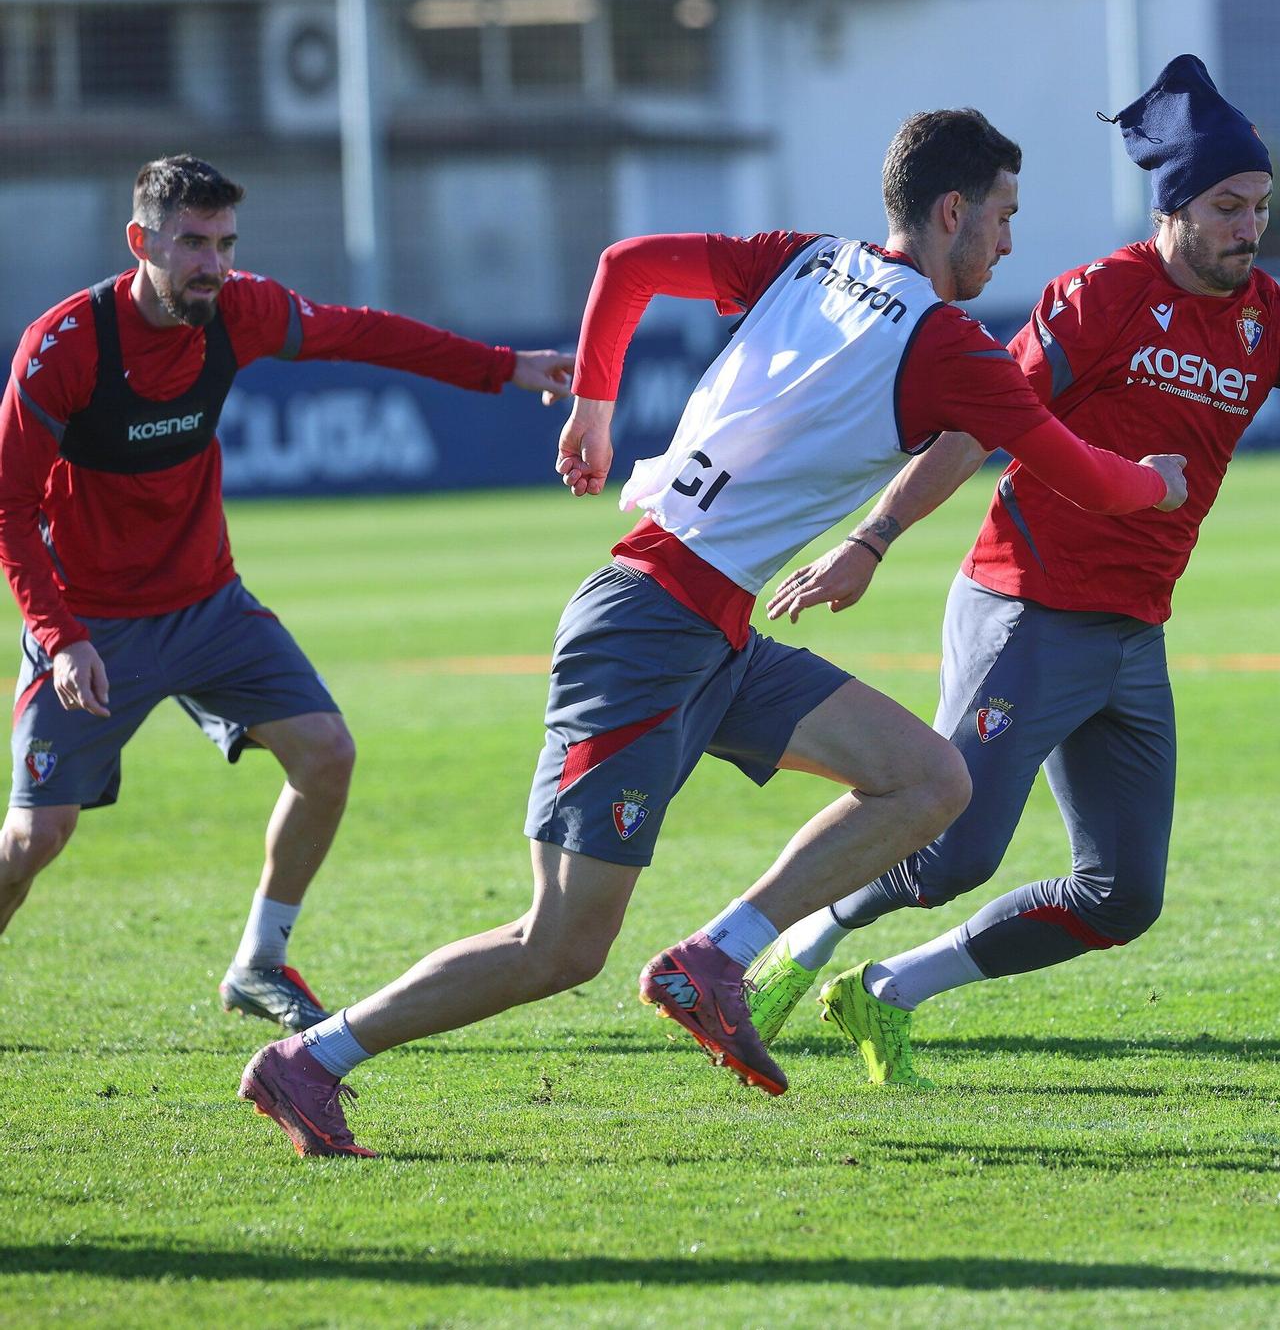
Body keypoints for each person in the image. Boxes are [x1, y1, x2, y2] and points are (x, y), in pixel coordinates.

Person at [238, 108, 1187, 1157]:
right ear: (951, 209)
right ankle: (309, 1059)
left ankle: (719, 956)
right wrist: (1154, 482)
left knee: (930, 781)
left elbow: (627, 264)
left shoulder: (805, 262)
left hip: (712, 631)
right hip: (646, 628)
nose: (1010, 242)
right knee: (558, 946)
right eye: (1003, 216)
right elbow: (1076, 472)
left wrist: (593, 406)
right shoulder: (944, 345)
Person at [743, 55, 1280, 1086]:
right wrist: (870, 541)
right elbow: (974, 430)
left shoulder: (1271, 319)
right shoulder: (1097, 297)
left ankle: (888, 993)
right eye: (1229, 207)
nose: (1250, 228)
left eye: (1262, 208)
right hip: (1024, 608)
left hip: (1130, 634)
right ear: (1174, 207)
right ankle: (790, 941)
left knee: (1122, 895)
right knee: (957, 849)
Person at [0, 155, 574, 1028]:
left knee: (327, 754)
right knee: (33, 839)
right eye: (192, 242)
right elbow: (9, 507)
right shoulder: (66, 346)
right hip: (91, 621)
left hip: (206, 605)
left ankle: (259, 962)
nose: (213, 264)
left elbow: (365, 333)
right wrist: (61, 632)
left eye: (225, 242)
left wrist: (505, 367)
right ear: (140, 241)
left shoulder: (240, 311)